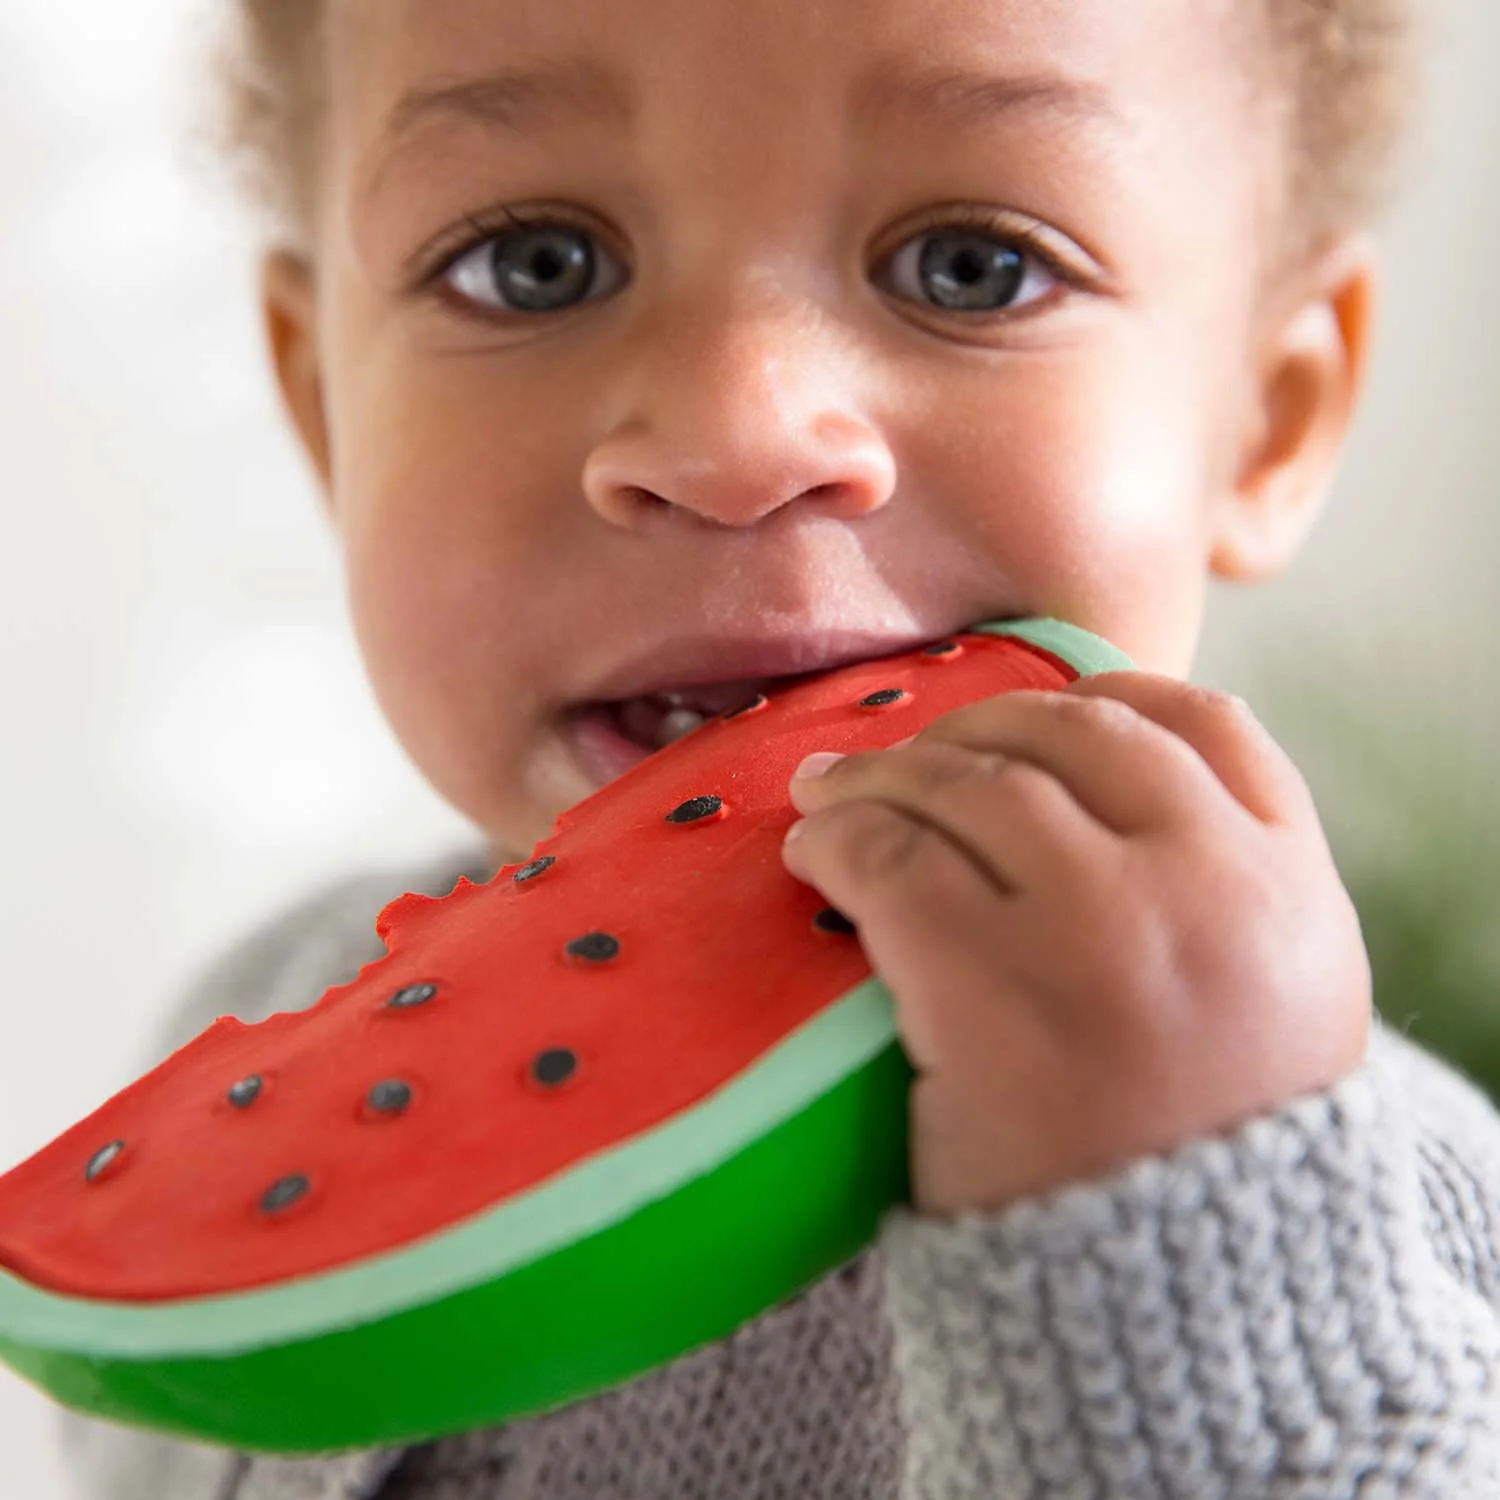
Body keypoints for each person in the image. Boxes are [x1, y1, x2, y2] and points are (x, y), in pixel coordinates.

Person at [62, 1, 1500, 1496]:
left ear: (1268, 418)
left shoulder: (1390, 1216)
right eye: (534, 265)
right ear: (324, 411)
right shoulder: (255, 1022)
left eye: (973, 268)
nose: (736, 437)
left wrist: (1180, 1261)